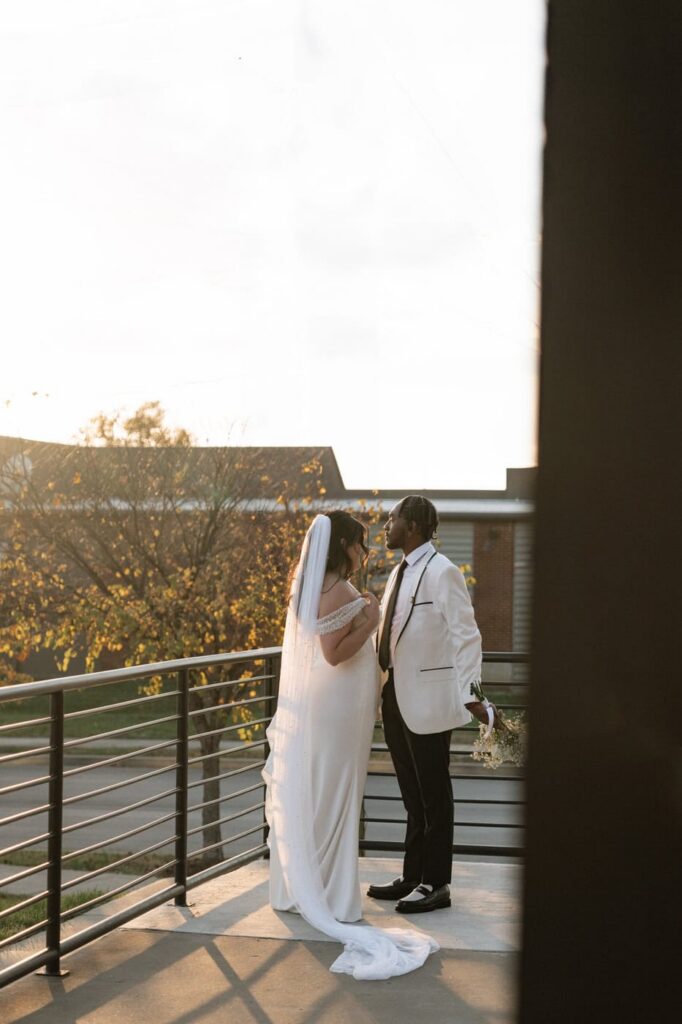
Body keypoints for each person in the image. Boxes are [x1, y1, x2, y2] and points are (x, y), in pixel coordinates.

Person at [263, 511, 438, 980]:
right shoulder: (337, 590)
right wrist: (372, 618)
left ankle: (303, 885)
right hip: (339, 704)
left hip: (336, 706)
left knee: (325, 788)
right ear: (343, 545)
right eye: (361, 543)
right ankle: (331, 894)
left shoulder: (316, 586)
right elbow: (335, 654)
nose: (365, 551)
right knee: (337, 790)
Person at [367, 495, 499, 914]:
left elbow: (467, 636)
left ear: (414, 526)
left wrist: (472, 694)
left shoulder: (444, 572)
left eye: (392, 518)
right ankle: (413, 876)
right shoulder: (397, 573)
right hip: (394, 694)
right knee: (412, 794)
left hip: (429, 699)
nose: (386, 525)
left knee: (434, 796)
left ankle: (436, 883)